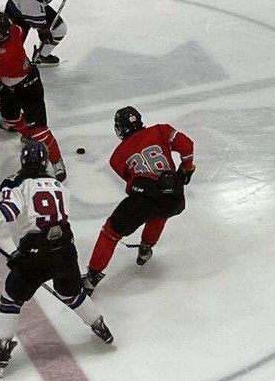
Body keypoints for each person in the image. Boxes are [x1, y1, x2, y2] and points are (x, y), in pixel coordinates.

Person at [0, 140, 113, 378]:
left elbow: (9, 211)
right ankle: (99, 324)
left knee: (11, 296)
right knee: (71, 292)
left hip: (36, 254)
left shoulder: (17, 183)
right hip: (65, 249)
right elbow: (49, 217)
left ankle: (2, 349)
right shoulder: (59, 185)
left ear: (24, 160)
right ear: (45, 162)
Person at [83, 107, 195, 294]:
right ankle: (146, 249)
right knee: (161, 210)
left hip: (144, 196)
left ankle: (92, 277)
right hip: (174, 196)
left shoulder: (116, 157)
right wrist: (186, 168)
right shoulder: (161, 130)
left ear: (119, 128)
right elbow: (187, 145)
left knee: (111, 232)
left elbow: (132, 180)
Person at [0, 12, 67, 181]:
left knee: (40, 131)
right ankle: (28, 135)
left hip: (29, 87)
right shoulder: (14, 30)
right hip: (10, 86)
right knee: (10, 117)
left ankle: (56, 161)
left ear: (5, 32)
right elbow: (19, 27)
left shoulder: (4, 55)